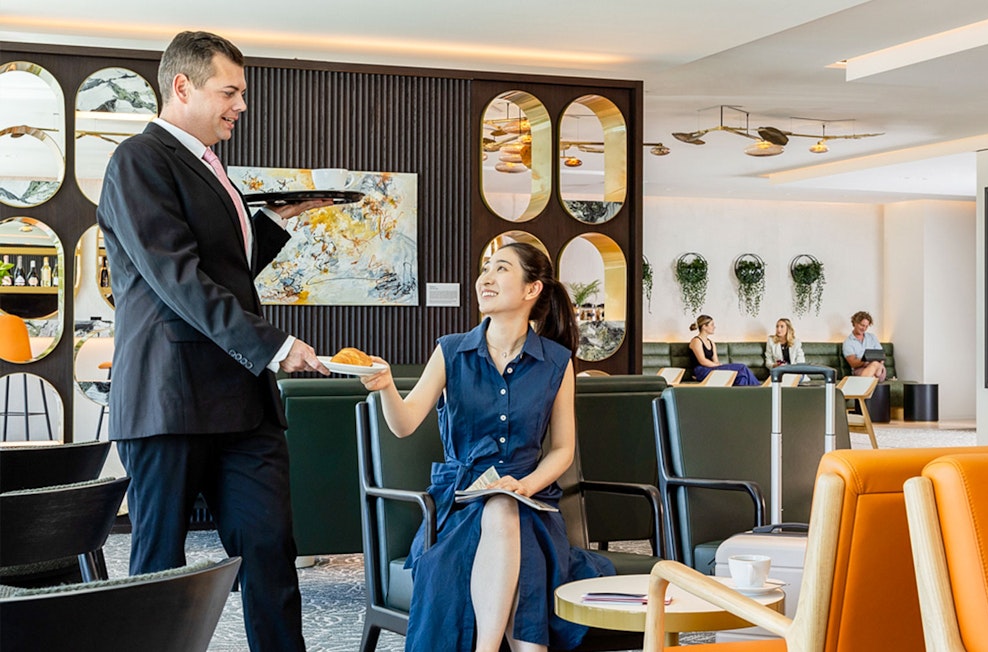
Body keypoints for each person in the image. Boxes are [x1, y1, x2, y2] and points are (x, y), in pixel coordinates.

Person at [96, 31, 332, 652]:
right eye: (230, 92)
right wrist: (276, 346)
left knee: (271, 553)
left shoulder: (208, 165)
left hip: (242, 401)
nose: (241, 105)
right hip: (170, 398)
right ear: (182, 86)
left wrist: (272, 223)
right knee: (160, 572)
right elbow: (177, 279)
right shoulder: (138, 160)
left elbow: (223, 273)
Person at [360, 242, 614, 652]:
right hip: (459, 503)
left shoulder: (557, 362)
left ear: (532, 289)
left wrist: (524, 485)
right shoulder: (450, 350)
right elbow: (403, 425)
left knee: (508, 512)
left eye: (501, 269)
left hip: (530, 501)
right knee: (514, 541)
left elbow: (563, 450)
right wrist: (386, 385)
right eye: (485, 269)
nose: (485, 279)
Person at [689, 314, 760, 385]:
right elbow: (703, 361)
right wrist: (718, 365)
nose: (714, 327)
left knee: (741, 376)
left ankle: (743, 392)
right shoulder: (696, 341)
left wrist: (718, 365)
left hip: (712, 369)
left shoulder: (711, 343)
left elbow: (716, 361)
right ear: (704, 326)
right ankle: (759, 388)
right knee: (742, 367)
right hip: (701, 371)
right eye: (712, 325)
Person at [842, 310, 887, 381]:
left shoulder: (872, 337)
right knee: (874, 370)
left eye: (866, 326)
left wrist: (877, 362)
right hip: (860, 370)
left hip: (879, 368)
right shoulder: (848, 342)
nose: (864, 329)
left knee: (875, 364)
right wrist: (865, 361)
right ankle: (872, 379)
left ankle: (863, 383)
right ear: (855, 323)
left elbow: (882, 356)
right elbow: (853, 363)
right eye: (862, 325)